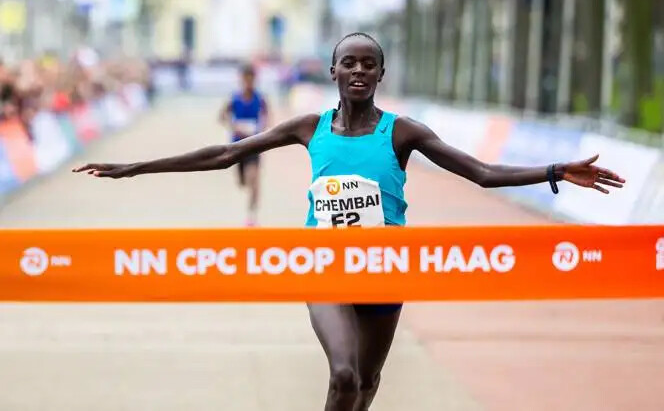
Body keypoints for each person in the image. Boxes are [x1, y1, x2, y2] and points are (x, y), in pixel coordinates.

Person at [73, 32, 625, 410]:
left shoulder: (403, 132)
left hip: (386, 268)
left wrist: (555, 170)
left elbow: (480, 172)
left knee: (365, 384)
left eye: (368, 64)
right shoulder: (308, 127)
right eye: (350, 63)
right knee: (342, 376)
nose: (358, 70)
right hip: (325, 265)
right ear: (334, 70)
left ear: (380, 73)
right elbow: (226, 153)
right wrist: (135, 168)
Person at [219, 64, 269, 226]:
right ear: (241, 79)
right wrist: (234, 126)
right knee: (243, 182)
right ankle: (245, 182)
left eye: (251, 79)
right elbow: (222, 116)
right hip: (237, 146)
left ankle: (251, 218)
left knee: (254, 182)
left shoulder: (260, 99)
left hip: (254, 144)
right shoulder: (234, 98)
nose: (248, 82)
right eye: (246, 79)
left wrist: (261, 129)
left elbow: (267, 116)